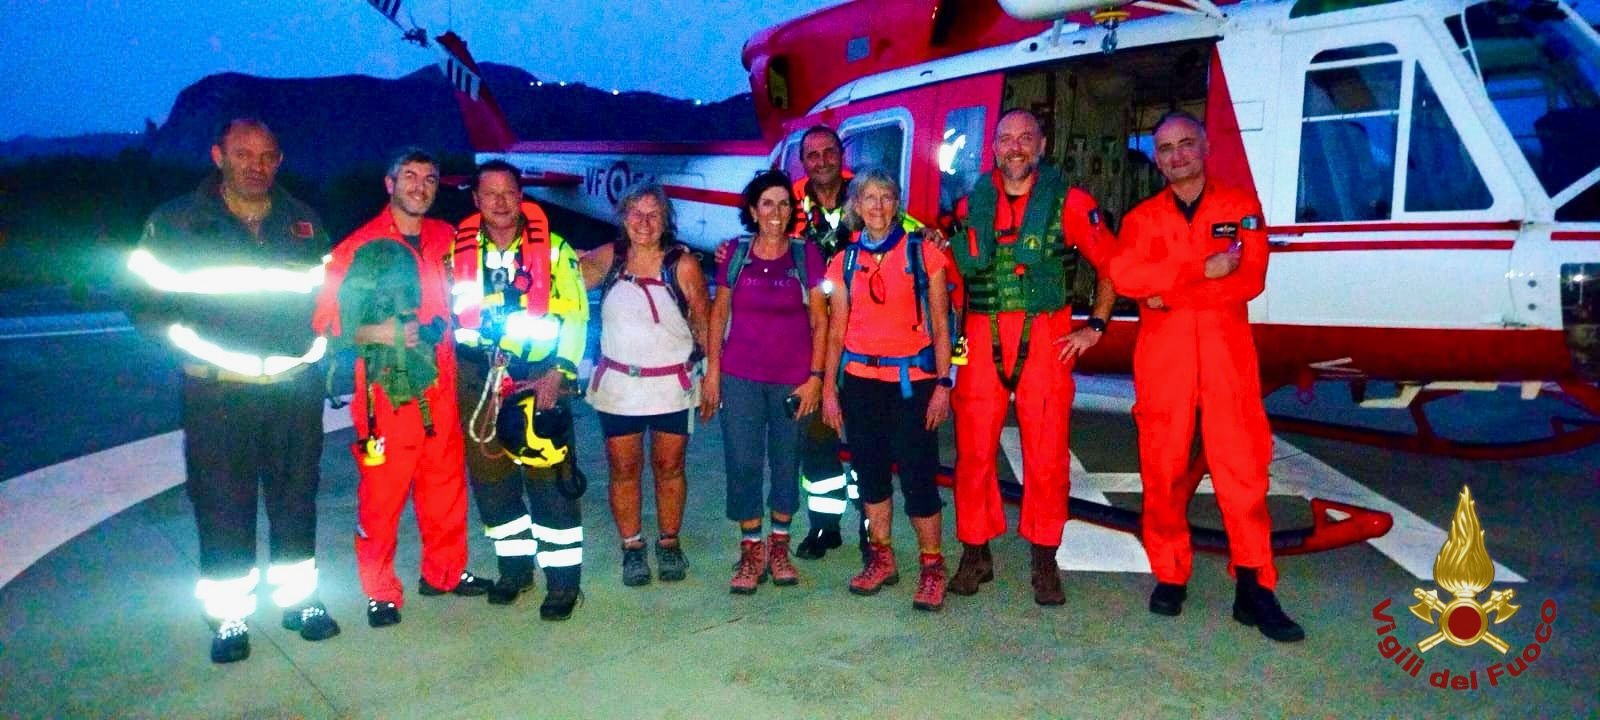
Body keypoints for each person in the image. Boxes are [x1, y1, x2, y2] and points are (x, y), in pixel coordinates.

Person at [129, 118, 339, 663]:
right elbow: (145, 305)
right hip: (218, 393)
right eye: (243, 154)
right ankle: (228, 617)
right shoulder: (176, 222)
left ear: (280, 160)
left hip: (294, 390)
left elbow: (330, 302)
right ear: (218, 155)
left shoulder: (305, 224)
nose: (256, 165)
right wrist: (200, 355)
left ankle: (300, 601)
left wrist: (316, 356)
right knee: (223, 504)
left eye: (267, 155)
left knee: (296, 497)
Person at [1108, 111, 1304, 642]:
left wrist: (1164, 289)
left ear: (1204, 146)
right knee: (1163, 471)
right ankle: (1170, 573)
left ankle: (1255, 587)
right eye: (1166, 148)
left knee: (1242, 473)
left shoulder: (1240, 207)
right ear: (1156, 157)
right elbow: (1125, 277)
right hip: (1163, 362)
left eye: (1185, 144)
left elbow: (1249, 279)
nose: (1176, 156)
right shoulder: (1143, 218)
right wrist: (1201, 269)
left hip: (1226, 357)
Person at [945, 108, 1118, 606]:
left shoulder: (1070, 203)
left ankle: (1045, 557)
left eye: (1025, 138)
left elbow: (1112, 264)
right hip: (981, 336)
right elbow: (951, 277)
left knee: (1046, 457)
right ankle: (975, 550)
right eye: (1005, 139)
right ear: (993, 148)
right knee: (973, 453)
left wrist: (1096, 327)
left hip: (1047, 337)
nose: (1015, 147)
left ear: (1042, 146)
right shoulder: (969, 207)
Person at [313, 148, 492, 629]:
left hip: (443, 382)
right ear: (389, 184)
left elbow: (474, 294)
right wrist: (379, 333)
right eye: (409, 177)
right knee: (383, 495)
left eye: (430, 179)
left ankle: (445, 573)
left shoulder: (447, 237)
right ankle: (380, 590)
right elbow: (325, 319)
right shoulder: (358, 246)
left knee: (446, 486)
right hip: (387, 394)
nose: (420, 186)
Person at [450, 160, 588, 619]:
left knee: (549, 482)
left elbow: (576, 317)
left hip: (538, 378)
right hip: (479, 380)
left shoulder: (554, 250)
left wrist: (561, 372)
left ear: (522, 194)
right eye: (490, 194)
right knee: (493, 483)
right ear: (476, 200)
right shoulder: (457, 252)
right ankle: (514, 570)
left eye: (509, 192)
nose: (501, 202)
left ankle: (564, 583)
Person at [820, 168, 953, 612]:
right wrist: (829, 390)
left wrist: (943, 384)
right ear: (855, 206)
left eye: (887, 197)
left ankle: (932, 566)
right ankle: (883, 559)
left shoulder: (924, 254)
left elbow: (941, 324)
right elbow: (836, 331)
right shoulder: (843, 262)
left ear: (898, 204)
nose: (877, 206)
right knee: (871, 475)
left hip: (912, 384)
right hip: (860, 384)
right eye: (869, 198)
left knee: (918, 476)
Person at [580, 182, 711, 587]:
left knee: (670, 467)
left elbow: (704, 324)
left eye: (654, 214)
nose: (644, 222)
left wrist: (709, 379)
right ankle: (632, 546)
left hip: (671, 386)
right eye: (635, 213)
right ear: (622, 217)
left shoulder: (682, 265)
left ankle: (669, 543)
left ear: (666, 220)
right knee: (624, 468)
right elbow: (559, 286)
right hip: (620, 387)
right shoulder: (608, 259)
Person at [703, 170, 827, 593]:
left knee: (787, 462)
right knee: (743, 462)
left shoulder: (805, 254)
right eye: (768, 204)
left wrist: (815, 378)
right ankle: (751, 549)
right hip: (740, 378)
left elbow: (820, 319)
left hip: (793, 381)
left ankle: (779, 547)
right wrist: (712, 374)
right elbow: (719, 315)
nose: (777, 212)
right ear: (753, 211)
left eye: (784, 204)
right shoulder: (735, 254)